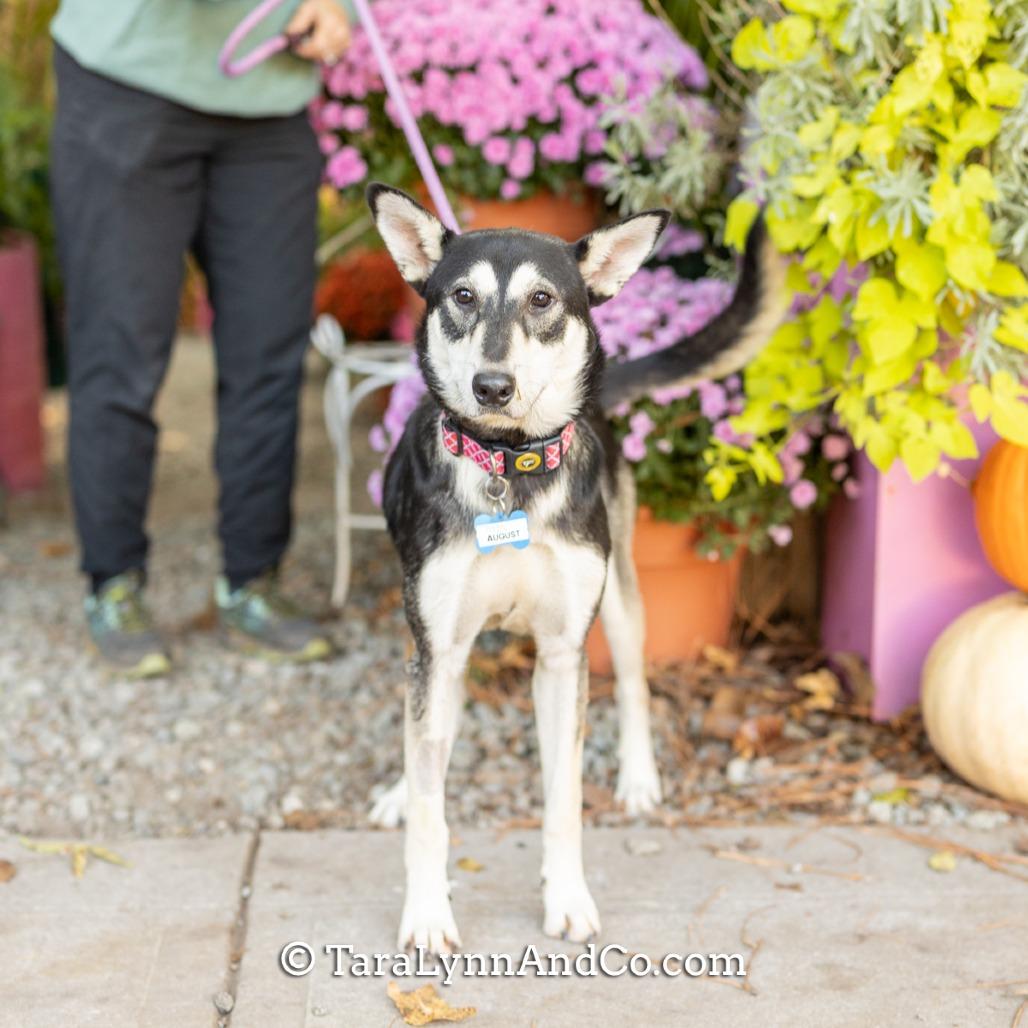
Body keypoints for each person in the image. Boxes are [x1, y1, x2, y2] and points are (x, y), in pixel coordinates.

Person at [49, 0, 352, 676]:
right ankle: (114, 584)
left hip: (269, 103)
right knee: (119, 355)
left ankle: (251, 583)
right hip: (127, 83)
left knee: (269, 357)